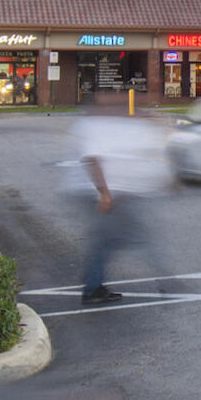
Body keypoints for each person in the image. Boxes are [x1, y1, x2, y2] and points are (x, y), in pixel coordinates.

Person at [69, 100, 173, 305]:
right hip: (105, 194)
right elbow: (92, 159)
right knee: (134, 237)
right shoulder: (99, 127)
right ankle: (165, 281)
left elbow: (144, 157)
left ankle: (93, 283)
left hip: (119, 193)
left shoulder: (115, 127)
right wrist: (105, 193)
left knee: (107, 241)